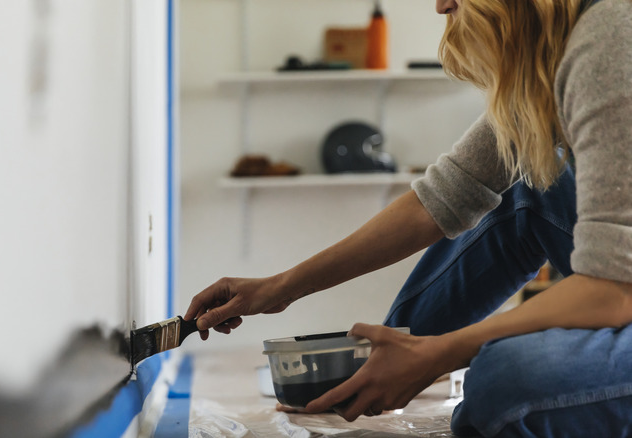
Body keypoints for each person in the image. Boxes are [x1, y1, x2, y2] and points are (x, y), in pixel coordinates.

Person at [185, 0, 632, 435]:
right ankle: (383, 365)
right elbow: (439, 199)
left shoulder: (610, 34)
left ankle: (418, 361)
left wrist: (441, 353)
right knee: (527, 190)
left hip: (616, 290)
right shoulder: (548, 64)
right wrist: (279, 288)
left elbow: (612, 289)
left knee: (502, 385)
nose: (440, 6)